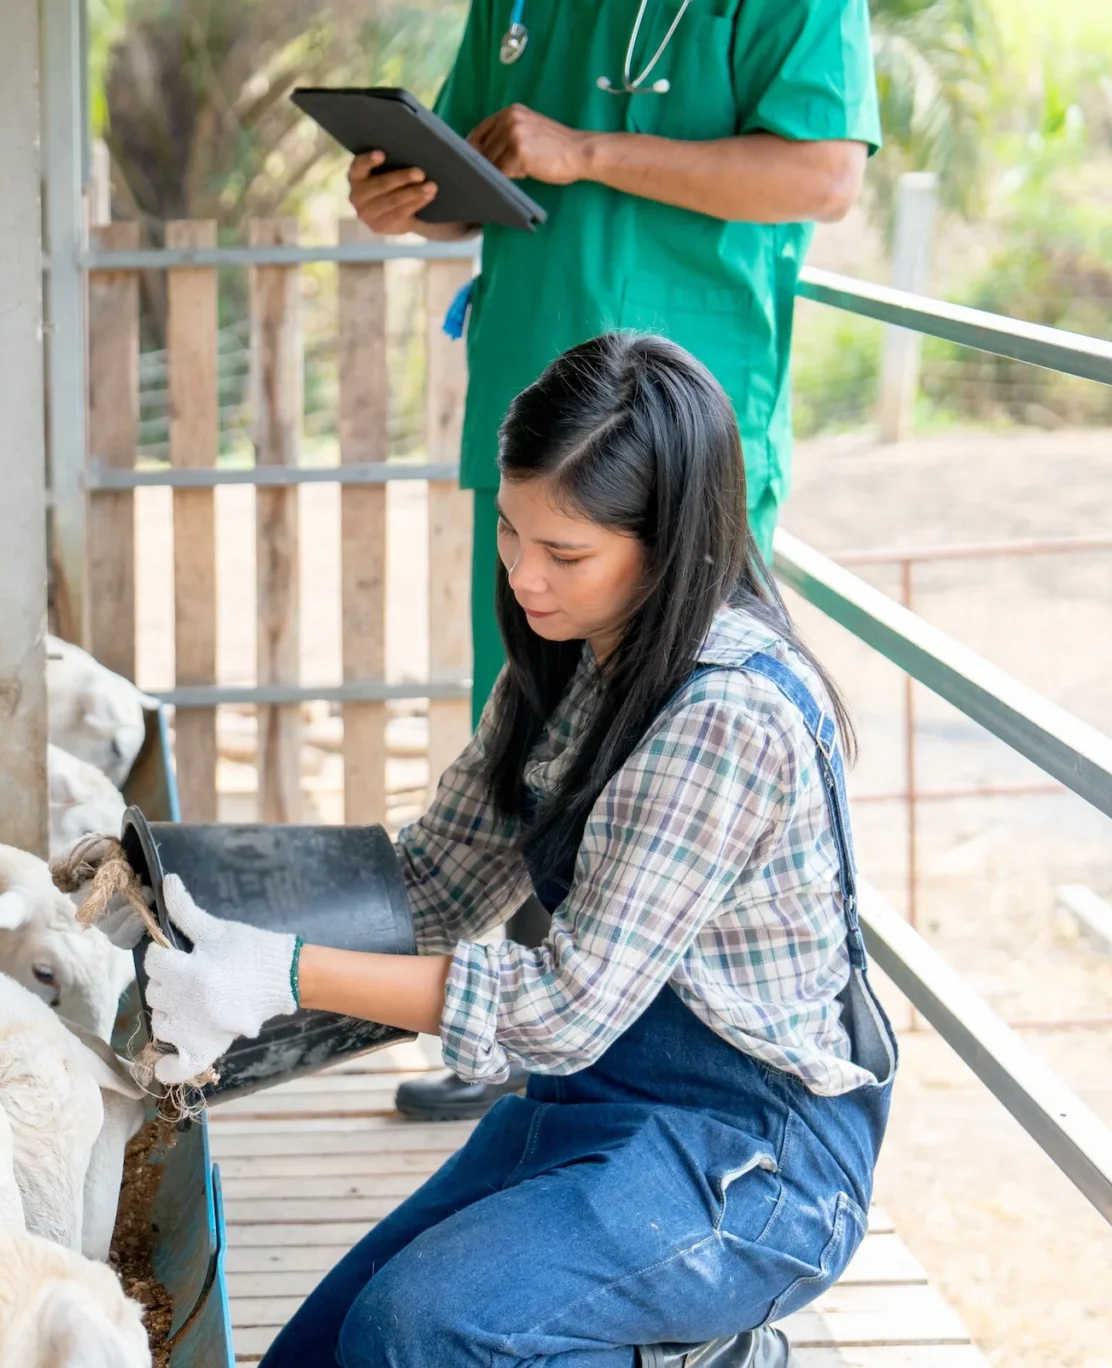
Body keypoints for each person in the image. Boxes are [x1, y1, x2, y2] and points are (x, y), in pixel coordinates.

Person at [136, 334, 895, 1368]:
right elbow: (436, 885)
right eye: (510, 532)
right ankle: (634, 1334)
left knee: (421, 1340)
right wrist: (186, 910)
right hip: (594, 1106)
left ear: (674, 540)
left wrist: (279, 976)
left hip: (750, 1153)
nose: (525, 578)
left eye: (566, 553)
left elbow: (557, 1010)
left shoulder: (725, 716)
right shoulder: (568, 659)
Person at [362, 0, 881, 1120]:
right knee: (523, 727)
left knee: (670, 736)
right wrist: (405, 196)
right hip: (531, 424)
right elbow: (475, 164)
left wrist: (585, 152)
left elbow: (823, 177)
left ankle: (651, 1060)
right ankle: (524, 1039)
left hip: (678, 447)